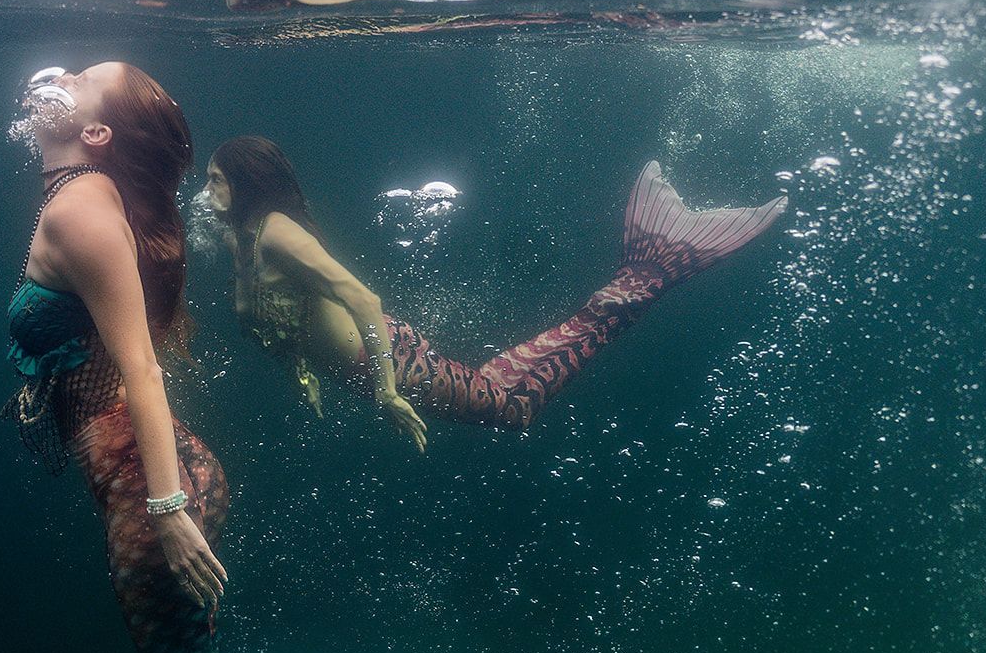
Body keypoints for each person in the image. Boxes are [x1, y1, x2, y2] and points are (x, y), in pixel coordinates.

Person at [4, 63, 730, 653]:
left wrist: (169, 510)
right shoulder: (92, 202)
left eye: (85, 74)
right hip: (158, 473)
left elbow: (146, 373)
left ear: (95, 132)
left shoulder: (85, 211)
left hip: (158, 483)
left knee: (508, 403)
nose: (63, 72)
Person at [205, 136, 787, 451]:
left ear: (247, 182)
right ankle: (643, 270)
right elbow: (287, 318)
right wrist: (304, 374)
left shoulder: (276, 233)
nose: (206, 192)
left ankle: (647, 276)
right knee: (494, 390)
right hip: (370, 363)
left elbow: (364, 302)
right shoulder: (246, 240)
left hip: (387, 362)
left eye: (216, 179)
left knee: (512, 408)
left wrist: (384, 392)